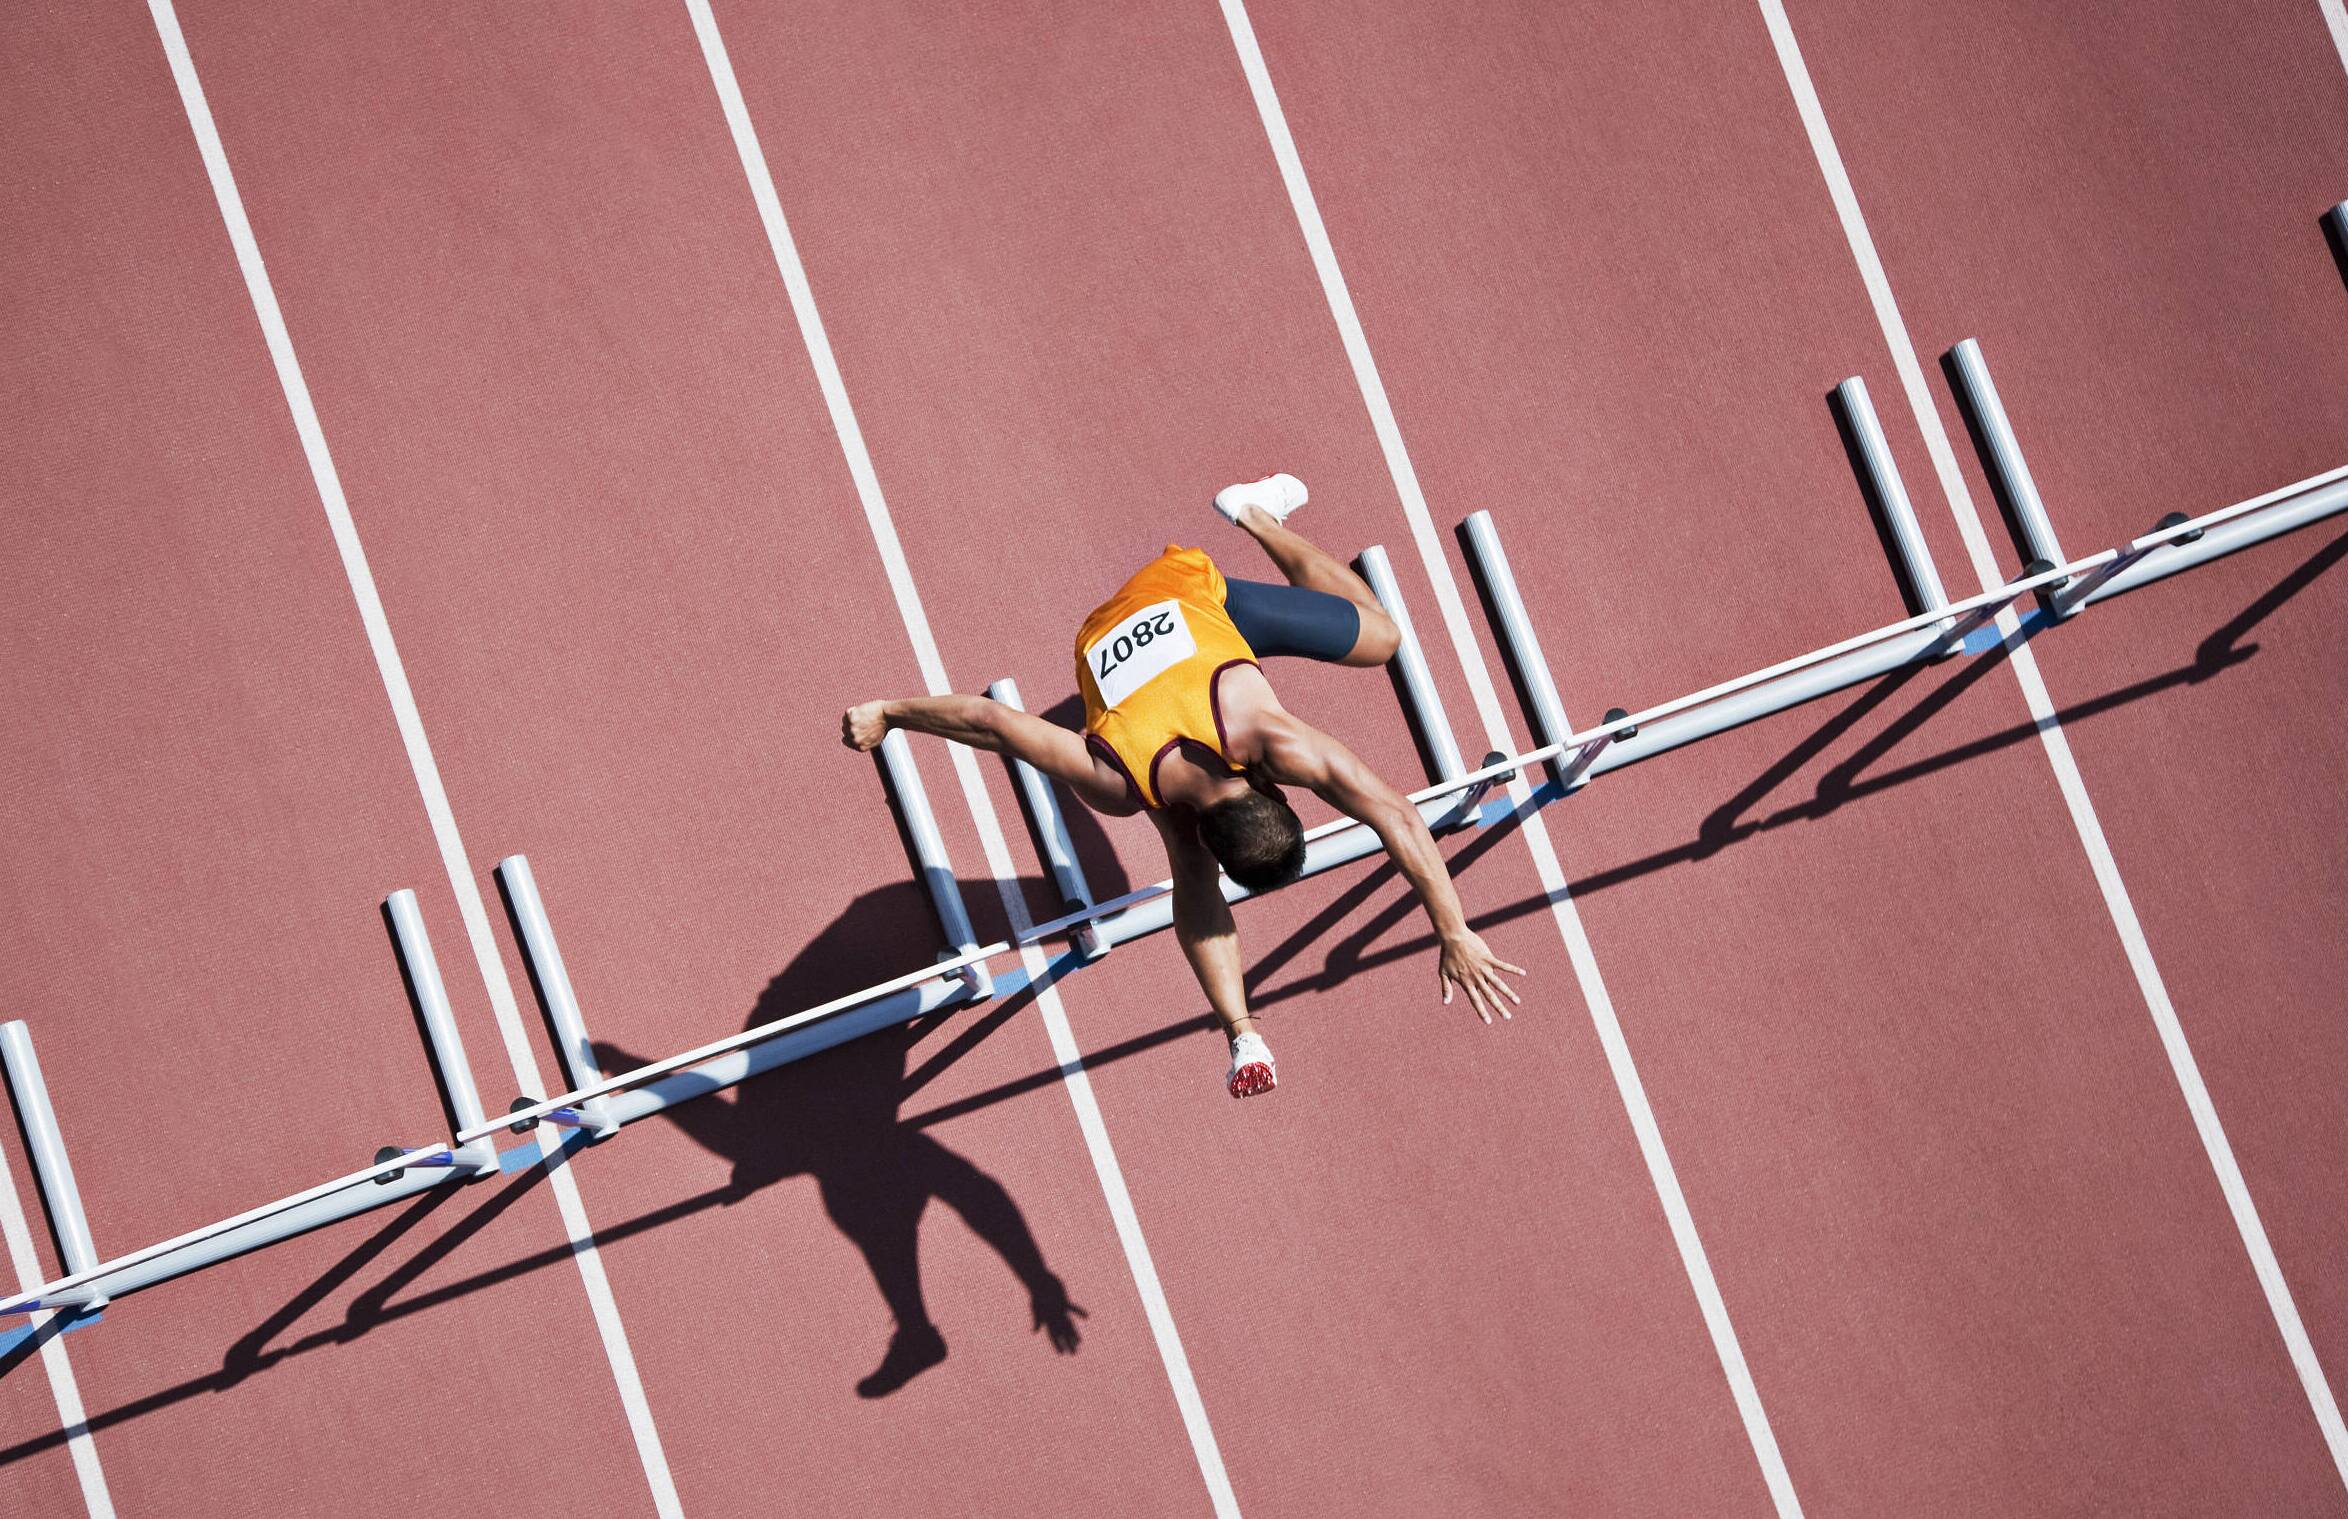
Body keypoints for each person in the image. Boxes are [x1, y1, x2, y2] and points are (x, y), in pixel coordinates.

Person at [842, 474, 1524, 1098]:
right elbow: (994, 723)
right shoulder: (1125, 781)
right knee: (1187, 834)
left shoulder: (1271, 740)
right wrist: (887, 715)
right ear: (1274, 785)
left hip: (1180, 613)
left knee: (1381, 639)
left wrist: (1456, 928)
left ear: (1276, 791)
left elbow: (1395, 814)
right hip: (1148, 611)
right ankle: (1255, 516)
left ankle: (1257, 517)